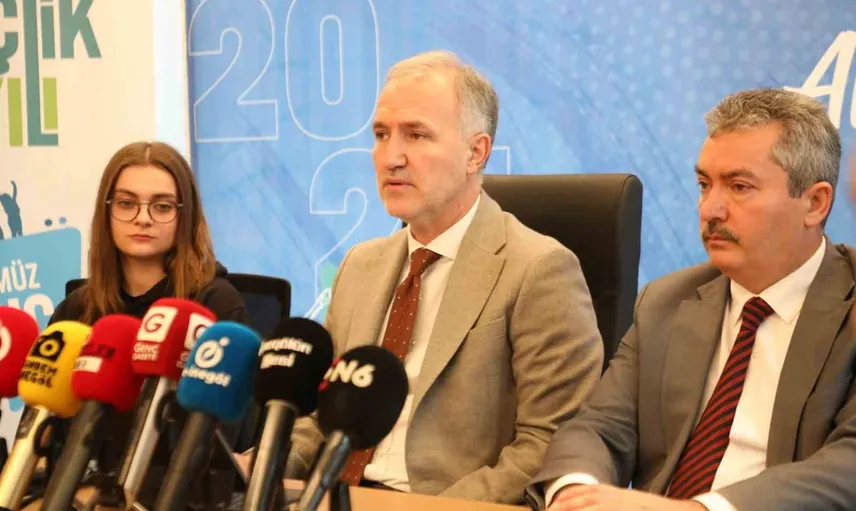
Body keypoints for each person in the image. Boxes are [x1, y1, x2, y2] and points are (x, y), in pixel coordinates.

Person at [279, 50, 604, 504]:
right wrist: (263, 466)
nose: (391, 157)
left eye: (416, 135)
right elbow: (322, 418)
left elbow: (549, 444)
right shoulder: (359, 265)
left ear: (476, 152)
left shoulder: (538, 269)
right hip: (331, 496)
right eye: (381, 134)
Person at [527, 88, 856, 511]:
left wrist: (698, 510)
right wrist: (576, 494)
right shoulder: (667, 301)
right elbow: (598, 427)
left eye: (739, 187)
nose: (710, 209)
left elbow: (846, 466)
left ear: (814, 203)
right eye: (704, 185)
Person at [48, 141, 250, 510]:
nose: (143, 218)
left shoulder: (216, 305)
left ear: (185, 216)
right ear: (107, 212)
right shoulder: (76, 309)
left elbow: (215, 447)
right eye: (127, 204)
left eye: (162, 206)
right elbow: (53, 440)